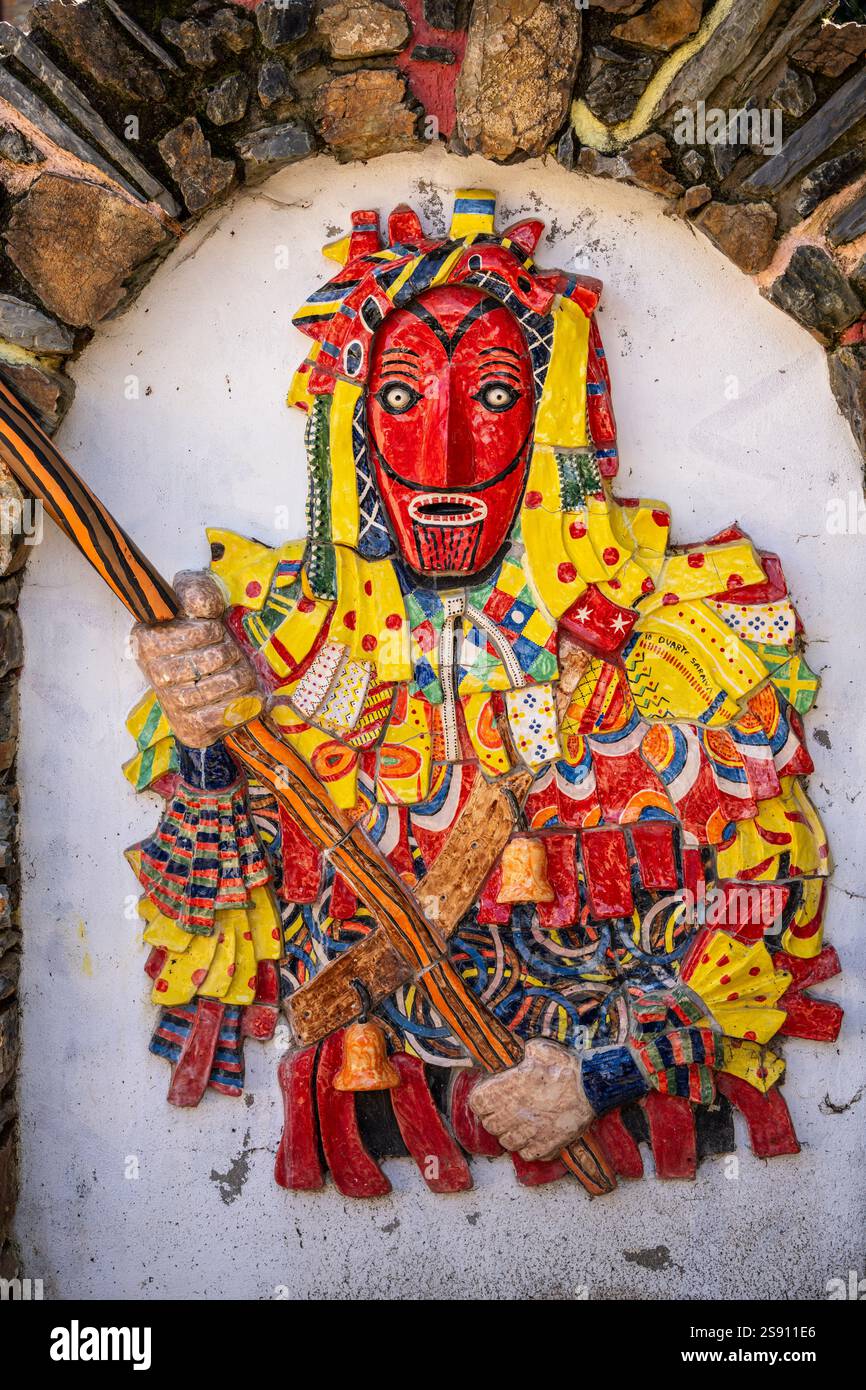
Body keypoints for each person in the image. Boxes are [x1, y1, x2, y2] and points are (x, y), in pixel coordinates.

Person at [124, 191, 834, 1189]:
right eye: (405, 399)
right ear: (353, 430)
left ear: (550, 420)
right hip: (373, 1116)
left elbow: (774, 901)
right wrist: (202, 731)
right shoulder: (270, 633)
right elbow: (214, 911)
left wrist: (604, 1074)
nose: (444, 457)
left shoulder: (685, 623)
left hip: (612, 1112)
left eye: (494, 398)